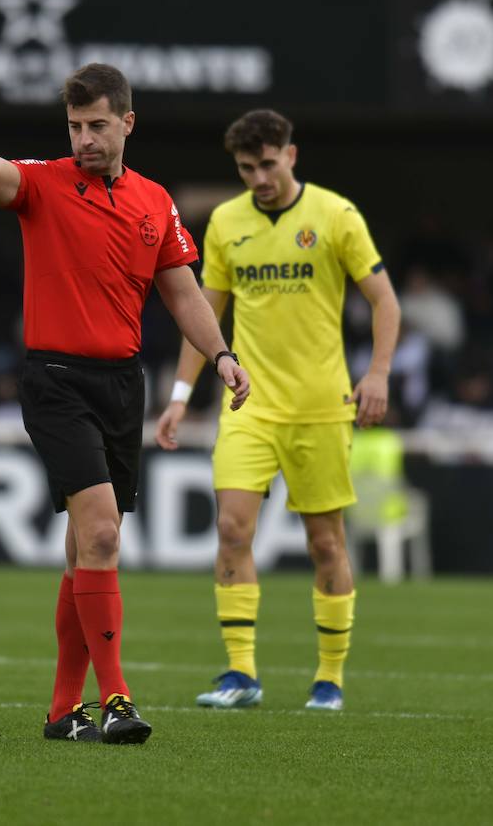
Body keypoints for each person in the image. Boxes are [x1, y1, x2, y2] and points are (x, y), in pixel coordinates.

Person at [0, 65, 250, 745]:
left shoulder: (155, 202)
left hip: (122, 386)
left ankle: (63, 712)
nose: (84, 138)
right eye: (75, 126)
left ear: (127, 123)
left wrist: (224, 356)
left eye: (96, 125)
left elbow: (182, 294)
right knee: (102, 535)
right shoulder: (45, 183)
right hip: (56, 380)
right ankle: (117, 698)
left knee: (81, 550)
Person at [155, 109, 400, 712]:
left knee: (325, 544)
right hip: (248, 405)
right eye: (246, 167)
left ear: (291, 156)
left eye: (268, 163)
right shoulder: (226, 224)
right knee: (232, 529)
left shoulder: (335, 216)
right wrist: (180, 397)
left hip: (321, 407)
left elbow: (384, 301)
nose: (259, 177)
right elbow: (201, 318)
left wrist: (377, 373)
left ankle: (330, 678)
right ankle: (241, 674)